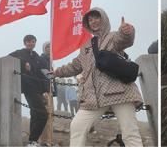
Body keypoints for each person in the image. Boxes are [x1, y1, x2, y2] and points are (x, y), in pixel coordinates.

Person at [52, 8, 143, 147]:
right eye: (90, 20)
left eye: (96, 18)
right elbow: (75, 65)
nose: (93, 21)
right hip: (94, 96)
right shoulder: (86, 46)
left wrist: (127, 31)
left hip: (120, 92)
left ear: (104, 19)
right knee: (77, 126)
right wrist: (57, 72)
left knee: (130, 132)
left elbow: (124, 40)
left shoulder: (113, 36)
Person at [10, 35, 49, 147]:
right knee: (43, 115)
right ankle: (32, 141)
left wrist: (45, 89)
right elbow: (8, 57)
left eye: (33, 41)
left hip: (38, 89)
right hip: (28, 88)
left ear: (35, 43)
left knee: (36, 115)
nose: (31, 43)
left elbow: (41, 72)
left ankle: (32, 142)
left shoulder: (36, 55)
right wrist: (23, 63)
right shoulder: (20, 52)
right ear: (24, 43)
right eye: (28, 42)